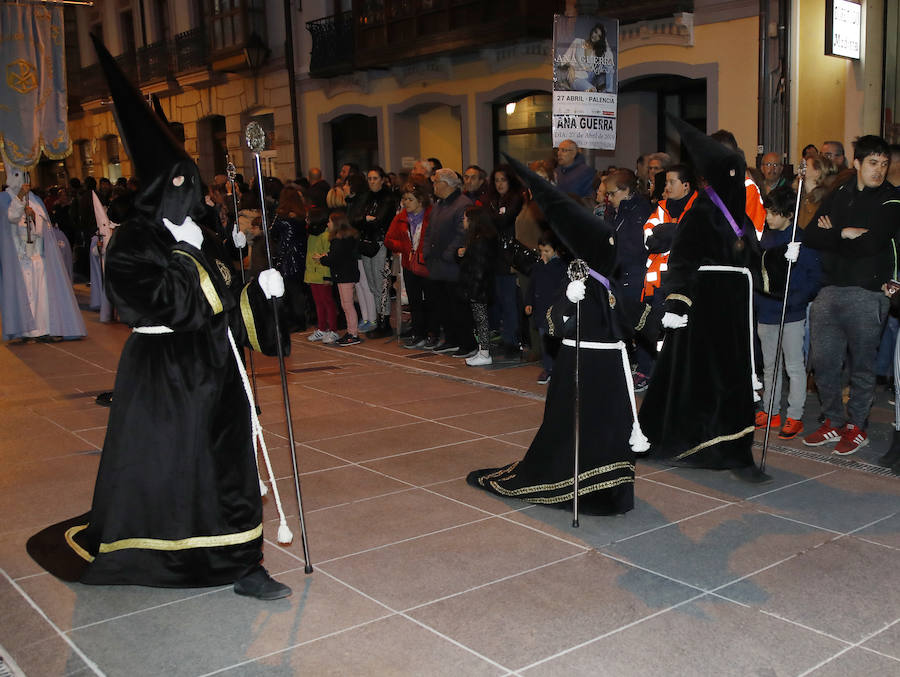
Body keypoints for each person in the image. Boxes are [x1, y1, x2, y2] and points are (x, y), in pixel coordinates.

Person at [27, 35, 292, 600]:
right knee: (173, 469)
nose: (185, 192)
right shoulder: (132, 243)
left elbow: (228, 303)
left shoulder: (208, 235)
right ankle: (167, 556)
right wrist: (201, 267)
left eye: (189, 181)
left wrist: (262, 295)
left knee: (228, 466)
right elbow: (161, 303)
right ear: (154, 188)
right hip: (163, 376)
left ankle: (245, 561)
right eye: (174, 182)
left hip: (219, 372)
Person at [468, 155, 646, 514]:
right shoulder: (575, 274)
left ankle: (610, 491)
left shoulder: (603, 272)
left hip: (608, 365)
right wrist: (568, 299)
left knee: (609, 425)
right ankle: (575, 484)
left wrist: (659, 324)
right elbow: (550, 324)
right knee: (574, 427)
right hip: (578, 362)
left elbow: (626, 312)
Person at [638, 117, 769, 483]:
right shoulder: (700, 212)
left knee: (734, 377)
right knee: (709, 379)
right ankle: (718, 447)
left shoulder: (738, 214)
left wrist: (779, 258)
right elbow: (681, 260)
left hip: (735, 308)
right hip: (706, 307)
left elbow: (753, 257)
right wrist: (677, 303)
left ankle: (735, 448)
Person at [801, 135, 900, 455]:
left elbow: (873, 243)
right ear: (857, 163)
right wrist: (845, 232)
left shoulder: (891, 199)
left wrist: (835, 231)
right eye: (873, 163)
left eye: (884, 164)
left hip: (869, 293)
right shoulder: (840, 192)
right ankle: (832, 421)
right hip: (830, 290)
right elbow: (813, 234)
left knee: (862, 365)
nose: (879, 170)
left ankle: (858, 426)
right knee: (823, 362)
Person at [754, 186, 821, 440]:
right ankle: (772, 410)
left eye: (773, 213)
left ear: (788, 214)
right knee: (770, 367)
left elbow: (814, 279)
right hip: (767, 312)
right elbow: (760, 274)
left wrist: (795, 299)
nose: (768, 217)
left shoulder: (802, 241)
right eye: (767, 212)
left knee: (794, 366)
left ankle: (795, 415)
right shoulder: (766, 240)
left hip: (791, 313)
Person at [2, 165, 86, 342]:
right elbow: (11, 218)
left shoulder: (36, 201)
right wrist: (19, 201)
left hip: (38, 255)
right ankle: (27, 332)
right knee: (28, 296)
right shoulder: (5, 200)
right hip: (20, 258)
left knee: (43, 295)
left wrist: (33, 217)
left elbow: (44, 227)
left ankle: (45, 329)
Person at [424, 168, 476, 356]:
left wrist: (448, 254)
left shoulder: (462, 204)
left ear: (445, 184)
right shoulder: (439, 204)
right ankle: (451, 339)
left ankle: (467, 343)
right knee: (443, 306)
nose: (433, 185)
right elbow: (429, 230)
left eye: (436, 182)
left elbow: (463, 233)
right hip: (437, 265)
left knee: (458, 307)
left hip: (453, 265)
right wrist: (427, 251)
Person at [385, 182, 434, 349]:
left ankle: (432, 333)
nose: (405, 202)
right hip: (409, 264)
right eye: (404, 199)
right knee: (414, 301)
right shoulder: (401, 218)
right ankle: (418, 333)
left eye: (409, 199)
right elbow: (389, 239)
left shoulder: (431, 215)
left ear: (420, 200)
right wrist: (404, 248)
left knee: (430, 299)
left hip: (427, 264)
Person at [484, 165, 525, 359]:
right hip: (495, 255)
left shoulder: (516, 198)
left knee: (509, 301)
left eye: (503, 180)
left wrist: (490, 218)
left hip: (509, 257)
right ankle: (506, 337)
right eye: (497, 180)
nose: (500, 184)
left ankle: (513, 341)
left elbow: (504, 220)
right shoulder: (493, 200)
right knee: (500, 300)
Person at [457, 206, 499, 366]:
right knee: (479, 319)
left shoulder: (481, 241)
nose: (463, 221)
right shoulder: (477, 239)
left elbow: (479, 268)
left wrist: (474, 288)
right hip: (477, 285)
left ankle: (485, 352)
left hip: (479, 287)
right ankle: (482, 350)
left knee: (481, 319)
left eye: (465, 219)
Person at [524, 230, 567, 384]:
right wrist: (529, 302)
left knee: (557, 342)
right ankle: (548, 368)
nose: (544, 254)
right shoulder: (538, 266)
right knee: (545, 342)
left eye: (547, 251)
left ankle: (560, 370)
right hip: (541, 312)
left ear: (555, 250)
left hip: (555, 312)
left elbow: (564, 289)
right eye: (541, 250)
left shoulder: (561, 267)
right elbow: (532, 285)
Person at [315, 211, 362, 346]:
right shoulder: (344, 238)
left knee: (347, 305)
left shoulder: (339, 239)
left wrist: (323, 259)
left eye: (329, 221)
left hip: (345, 275)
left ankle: (353, 334)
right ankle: (351, 332)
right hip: (345, 274)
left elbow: (335, 258)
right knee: (346, 304)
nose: (327, 224)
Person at [271, 187, 308, 332]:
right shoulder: (300, 216)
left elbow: (273, 233)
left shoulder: (282, 219)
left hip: (287, 257)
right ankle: (300, 320)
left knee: (289, 291)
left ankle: (295, 321)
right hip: (300, 256)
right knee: (297, 290)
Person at [305, 207, 340, 344]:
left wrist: (327, 277)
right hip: (313, 274)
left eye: (308, 217)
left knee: (328, 302)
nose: (306, 219)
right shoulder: (312, 235)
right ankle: (322, 328)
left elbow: (326, 256)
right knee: (318, 303)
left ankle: (333, 329)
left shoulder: (325, 236)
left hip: (322, 274)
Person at [554, 21, 616, 93]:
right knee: (592, 90)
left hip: (589, 79)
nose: (596, 36)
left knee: (607, 70)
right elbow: (563, 60)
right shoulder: (578, 42)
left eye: (599, 36)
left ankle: (607, 90)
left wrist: (605, 41)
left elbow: (609, 65)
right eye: (595, 32)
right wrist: (570, 67)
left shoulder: (597, 53)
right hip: (575, 78)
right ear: (592, 31)